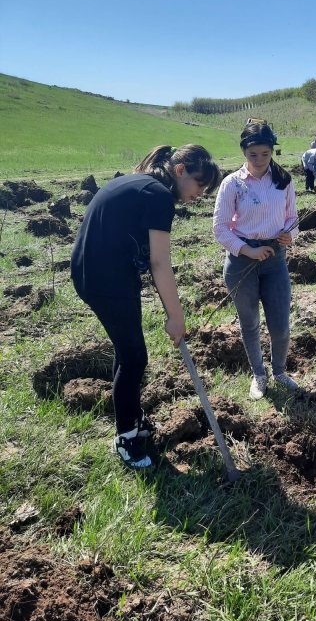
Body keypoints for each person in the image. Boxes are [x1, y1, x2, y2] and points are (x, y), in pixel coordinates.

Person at [71, 144, 220, 469]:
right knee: (135, 356)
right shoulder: (158, 196)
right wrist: (176, 316)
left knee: (129, 352)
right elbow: (159, 262)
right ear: (180, 171)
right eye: (200, 184)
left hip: (100, 272)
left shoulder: (141, 183)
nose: (201, 193)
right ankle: (126, 438)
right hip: (104, 278)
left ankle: (133, 418)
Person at [213, 121, 300, 400]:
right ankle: (259, 375)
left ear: (272, 151)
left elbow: (292, 217)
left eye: (265, 154)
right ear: (243, 152)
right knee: (249, 323)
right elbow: (220, 227)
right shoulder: (232, 184)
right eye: (253, 155)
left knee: (280, 325)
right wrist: (247, 250)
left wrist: (290, 234)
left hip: (275, 259)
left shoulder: (283, 180)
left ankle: (279, 372)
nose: (260, 160)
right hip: (242, 263)